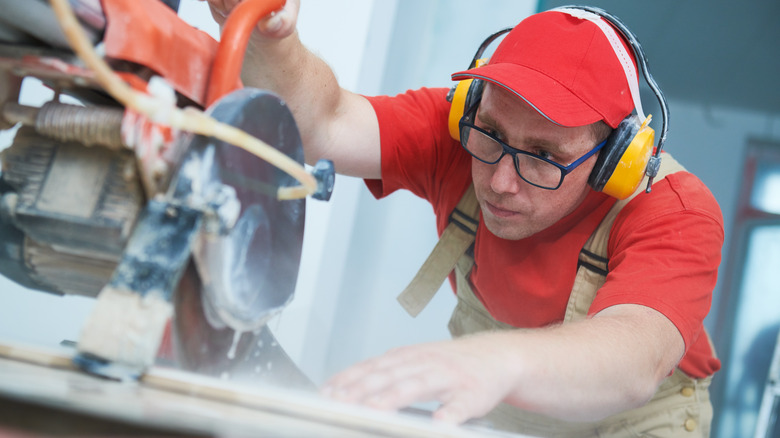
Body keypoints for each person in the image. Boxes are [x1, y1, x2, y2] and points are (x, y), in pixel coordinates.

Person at [201, 1, 724, 436]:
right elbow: (326, 122)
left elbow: (635, 357)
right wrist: (272, 37)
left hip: (634, 419)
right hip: (508, 396)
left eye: (543, 155)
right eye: (493, 136)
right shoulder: (464, 131)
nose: (500, 181)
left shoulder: (673, 209)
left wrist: (488, 362)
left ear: (616, 160)